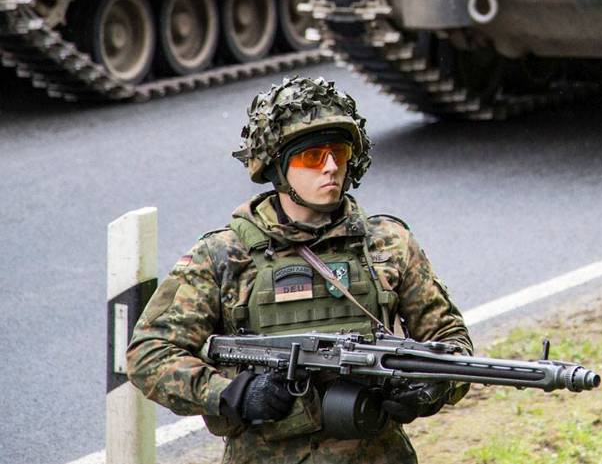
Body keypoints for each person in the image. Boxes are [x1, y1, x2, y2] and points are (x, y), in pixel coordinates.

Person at [127, 76, 471, 464]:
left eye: (338, 153)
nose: (330, 168)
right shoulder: (224, 255)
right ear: (277, 166)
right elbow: (149, 354)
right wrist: (231, 393)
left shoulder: (387, 243)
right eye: (312, 157)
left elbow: (451, 340)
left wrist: (433, 386)